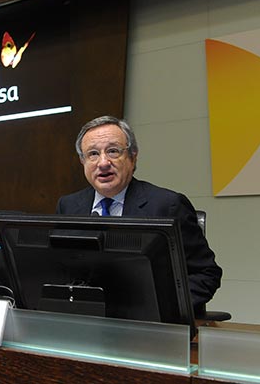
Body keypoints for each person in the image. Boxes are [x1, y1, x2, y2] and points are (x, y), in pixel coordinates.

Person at [56, 115, 222, 312]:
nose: (103, 162)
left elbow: (205, 273)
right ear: (82, 161)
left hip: (151, 325)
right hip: (86, 320)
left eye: (113, 151)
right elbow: (61, 271)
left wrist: (162, 309)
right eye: (92, 154)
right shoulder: (68, 206)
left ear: (133, 156)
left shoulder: (168, 206)